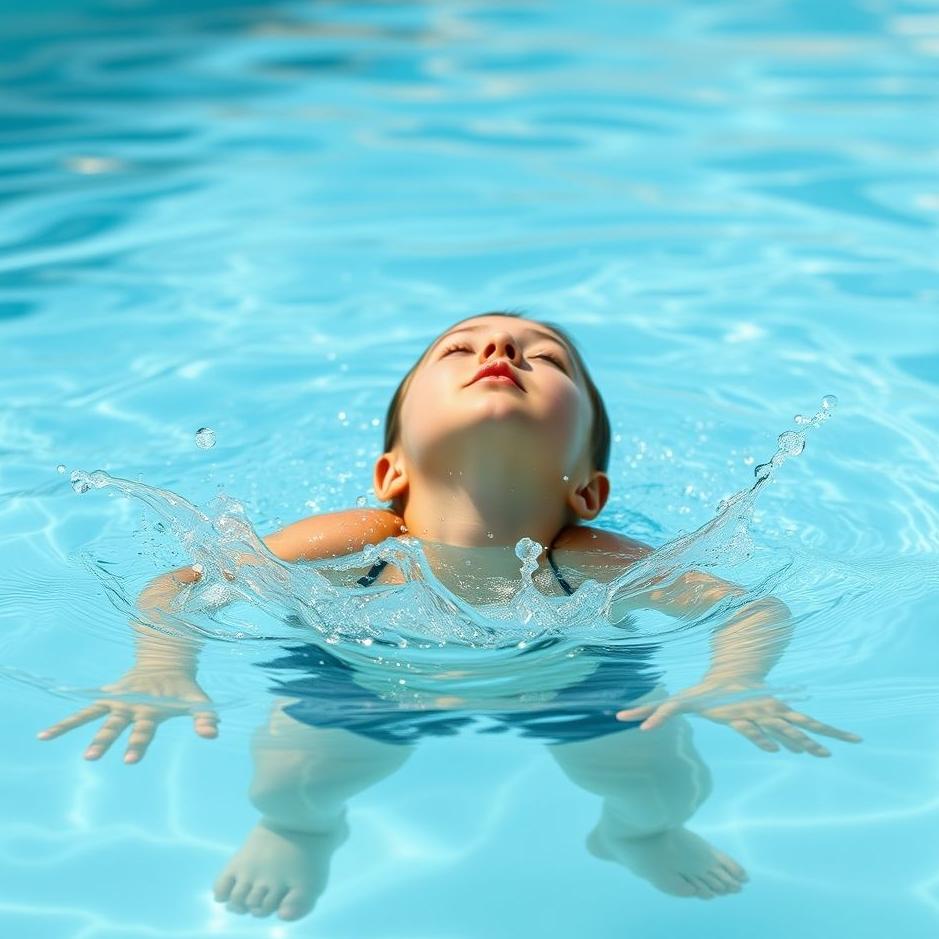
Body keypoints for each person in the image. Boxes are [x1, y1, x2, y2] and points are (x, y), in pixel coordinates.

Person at [37, 311, 861, 921]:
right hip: (363, 670)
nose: (500, 352)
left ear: (587, 488)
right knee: (292, 776)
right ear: (390, 470)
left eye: (547, 359)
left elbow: (750, 607)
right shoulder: (357, 540)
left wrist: (733, 677)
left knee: (659, 783)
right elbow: (181, 584)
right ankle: (301, 831)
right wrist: (161, 664)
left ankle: (637, 835)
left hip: (572, 677)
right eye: (458, 350)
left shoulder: (592, 559)